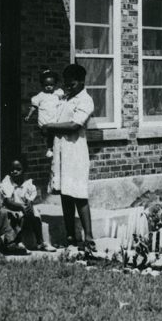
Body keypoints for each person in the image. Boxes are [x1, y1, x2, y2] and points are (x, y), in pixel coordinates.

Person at [40, 63, 95, 251]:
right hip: (62, 150)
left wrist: (49, 127)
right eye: (66, 84)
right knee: (65, 194)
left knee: (79, 194)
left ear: (81, 82)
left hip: (76, 152)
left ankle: (88, 238)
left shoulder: (85, 100)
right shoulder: (65, 98)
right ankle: (70, 236)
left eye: (71, 84)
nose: (68, 87)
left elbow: (74, 125)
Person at [0, 156, 46, 251]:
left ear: (24, 170)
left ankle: (40, 242)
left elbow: (30, 199)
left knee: (35, 212)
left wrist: (28, 204)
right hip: (11, 208)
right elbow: (8, 202)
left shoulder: (27, 183)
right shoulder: (7, 182)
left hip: (23, 209)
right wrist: (21, 207)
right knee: (18, 215)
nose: (15, 172)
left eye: (18, 169)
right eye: (12, 169)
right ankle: (17, 241)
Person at [26, 69, 63, 159]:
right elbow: (34, 107)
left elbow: (64, 100)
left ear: (55, 85)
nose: (49, 87)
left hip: (55, 118)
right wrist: (28, 115)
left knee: (56, 134)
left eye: (51, 85)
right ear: (42, 85)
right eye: (46, 85)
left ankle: (54, 148)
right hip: (45, 119)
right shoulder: (40, 96)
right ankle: (49, 148)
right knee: (48, 134)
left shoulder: (57, 94)